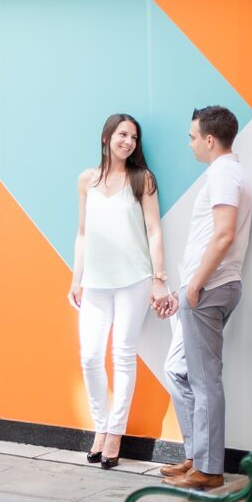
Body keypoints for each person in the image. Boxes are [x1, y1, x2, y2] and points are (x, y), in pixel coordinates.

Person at [69, 114, 177, 470]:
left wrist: (158, 278)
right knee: (89, 356)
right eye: (122, 134)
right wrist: (76, 278)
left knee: (123, 355)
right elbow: (83, 232)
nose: (128, 141)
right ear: (107, 137)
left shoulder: (141, 179)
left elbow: (154, 231)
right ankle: (101, 426)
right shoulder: (87, 180)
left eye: (133, 137)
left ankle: (114, 433)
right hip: (96, 282)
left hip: (134, 279)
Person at [160, 105, 252, 490]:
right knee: (179, 371)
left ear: (210, 139)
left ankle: (209, 470)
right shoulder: (224, 173)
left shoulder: (225, 174)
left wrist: (195, 283)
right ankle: (197, 456)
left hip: (209, 289)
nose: (191, 143)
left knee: (204, 380)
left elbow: (224, 233)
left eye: (193, 136)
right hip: (207, 288)